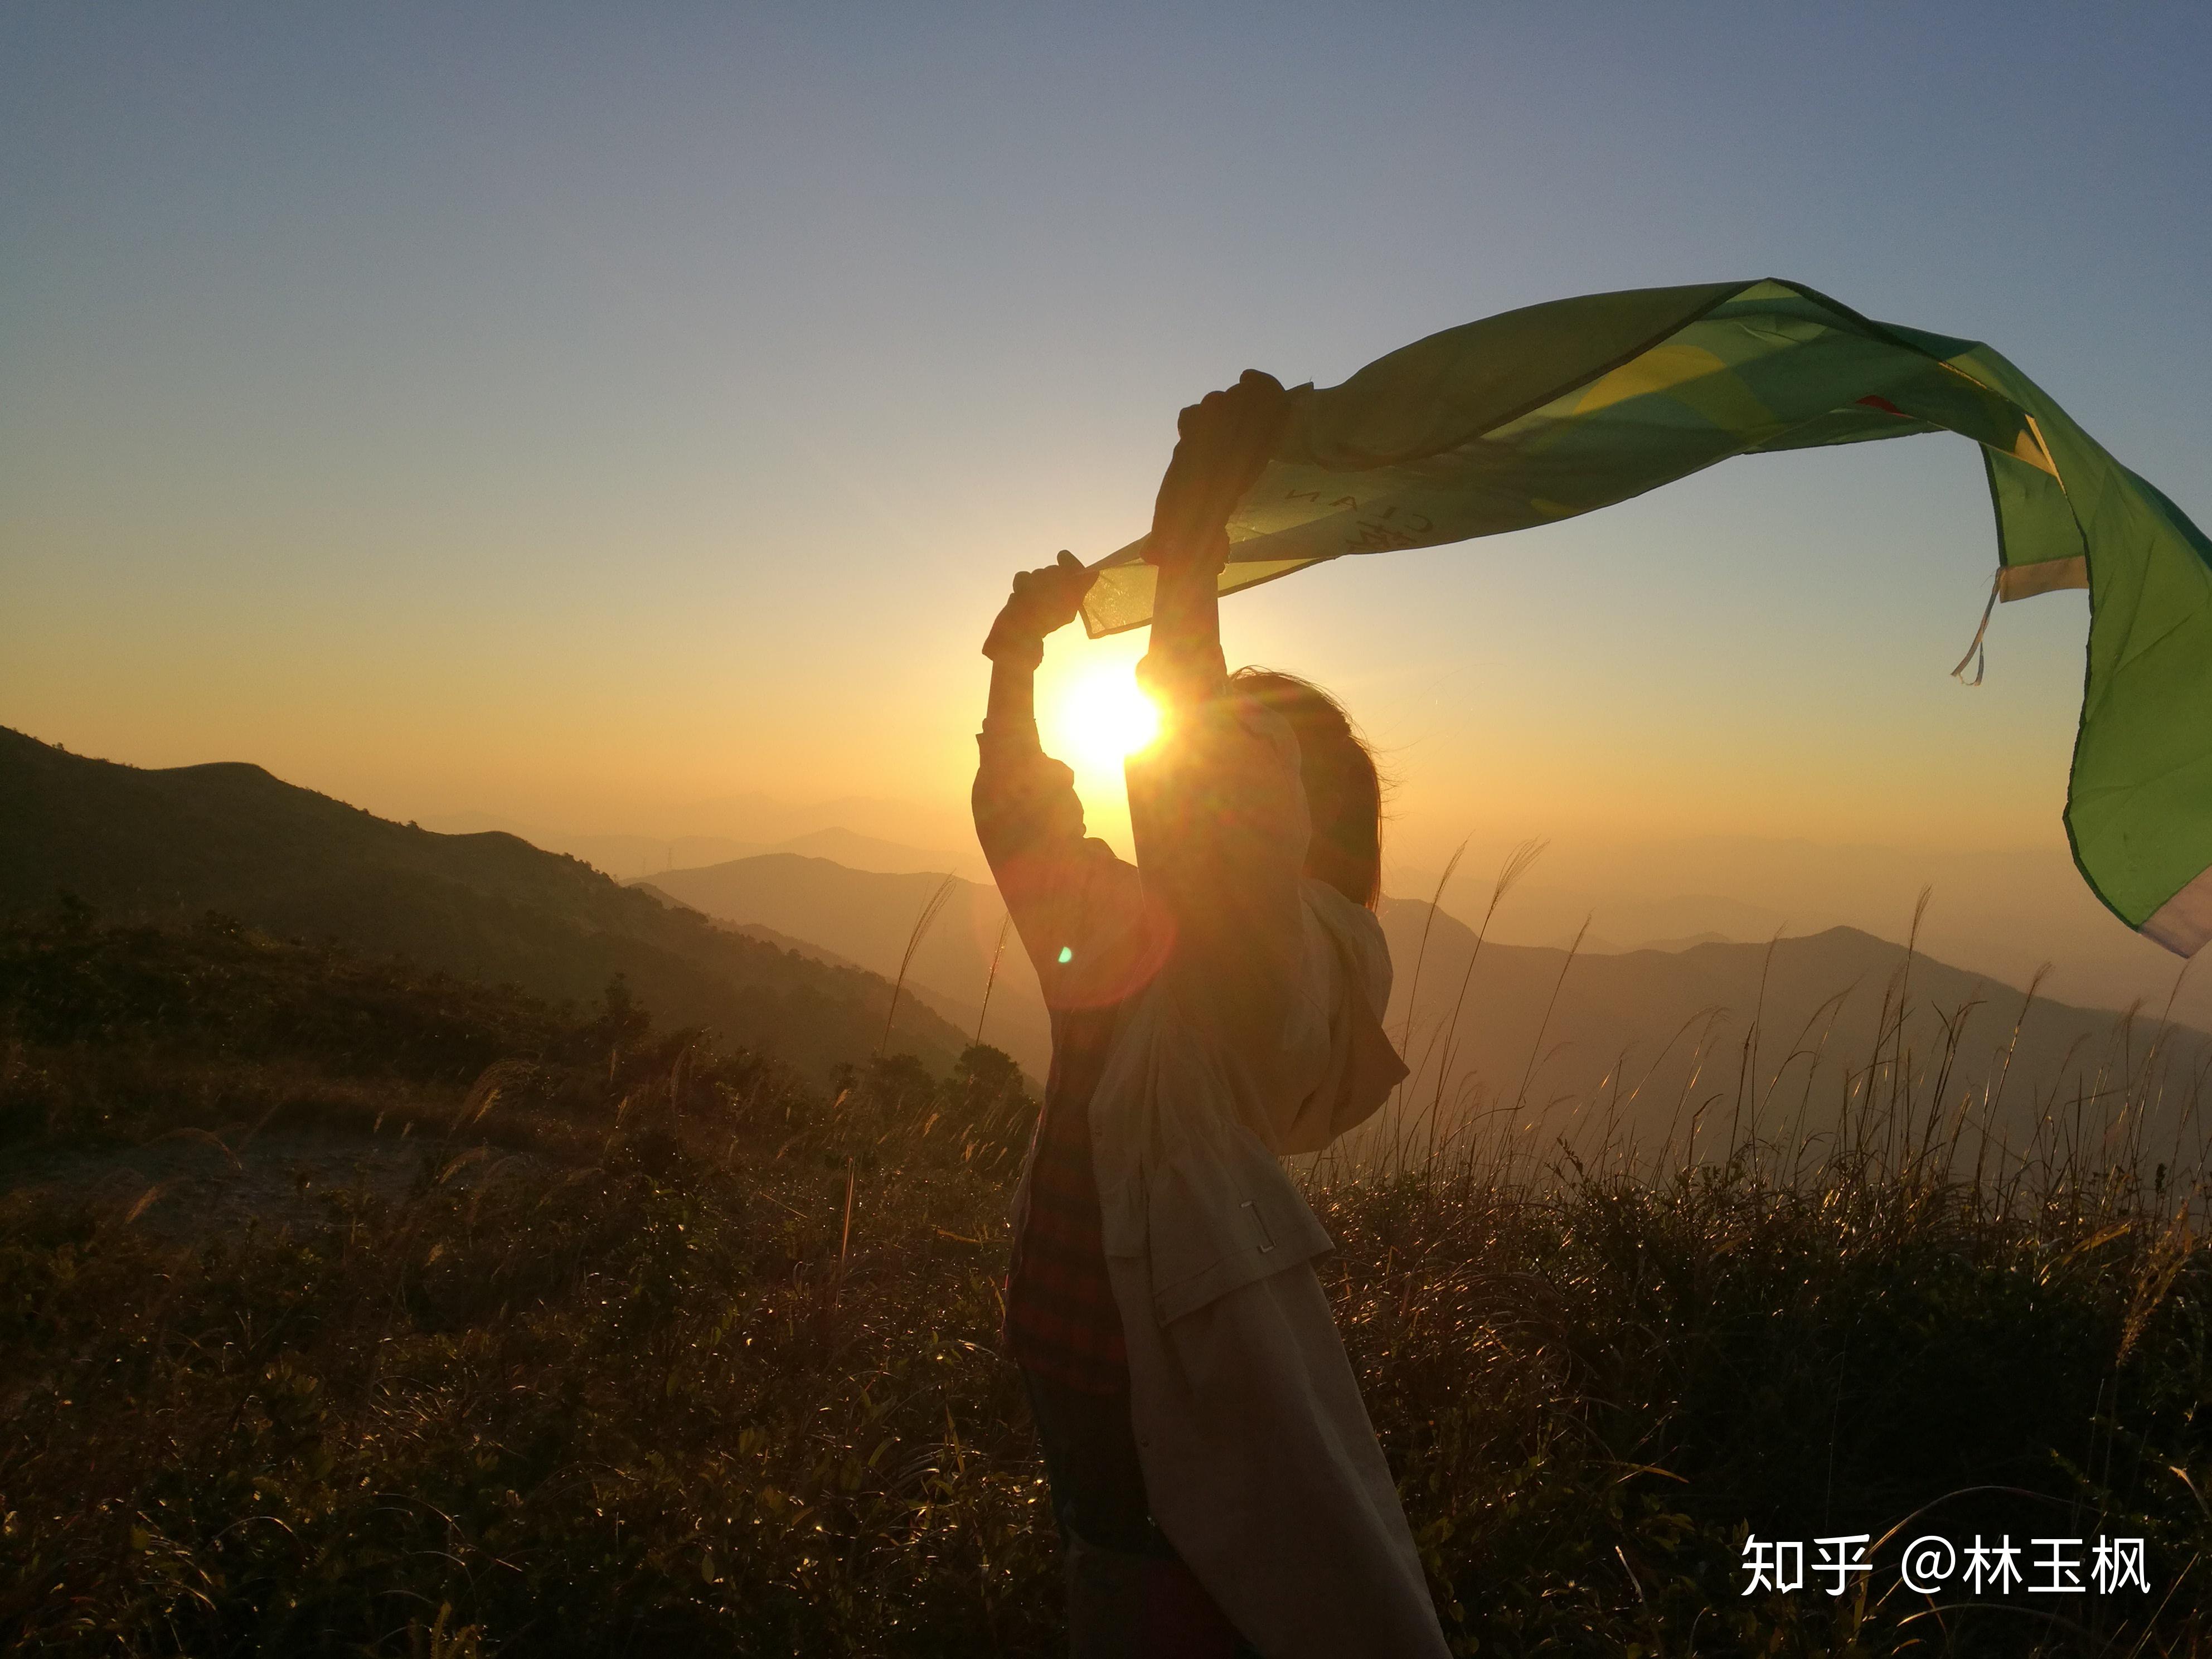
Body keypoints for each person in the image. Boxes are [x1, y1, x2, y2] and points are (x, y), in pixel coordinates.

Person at [972, 371, 1452, 1658]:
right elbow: (1025, 825)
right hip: (1077, 1335)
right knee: (1134, 1593)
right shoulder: (1159, 937)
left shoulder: (1285, 960)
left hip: (1150, 1347)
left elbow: (1213, 820)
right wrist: (1013, 662)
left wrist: (1194, 538)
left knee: (1193, 1598)